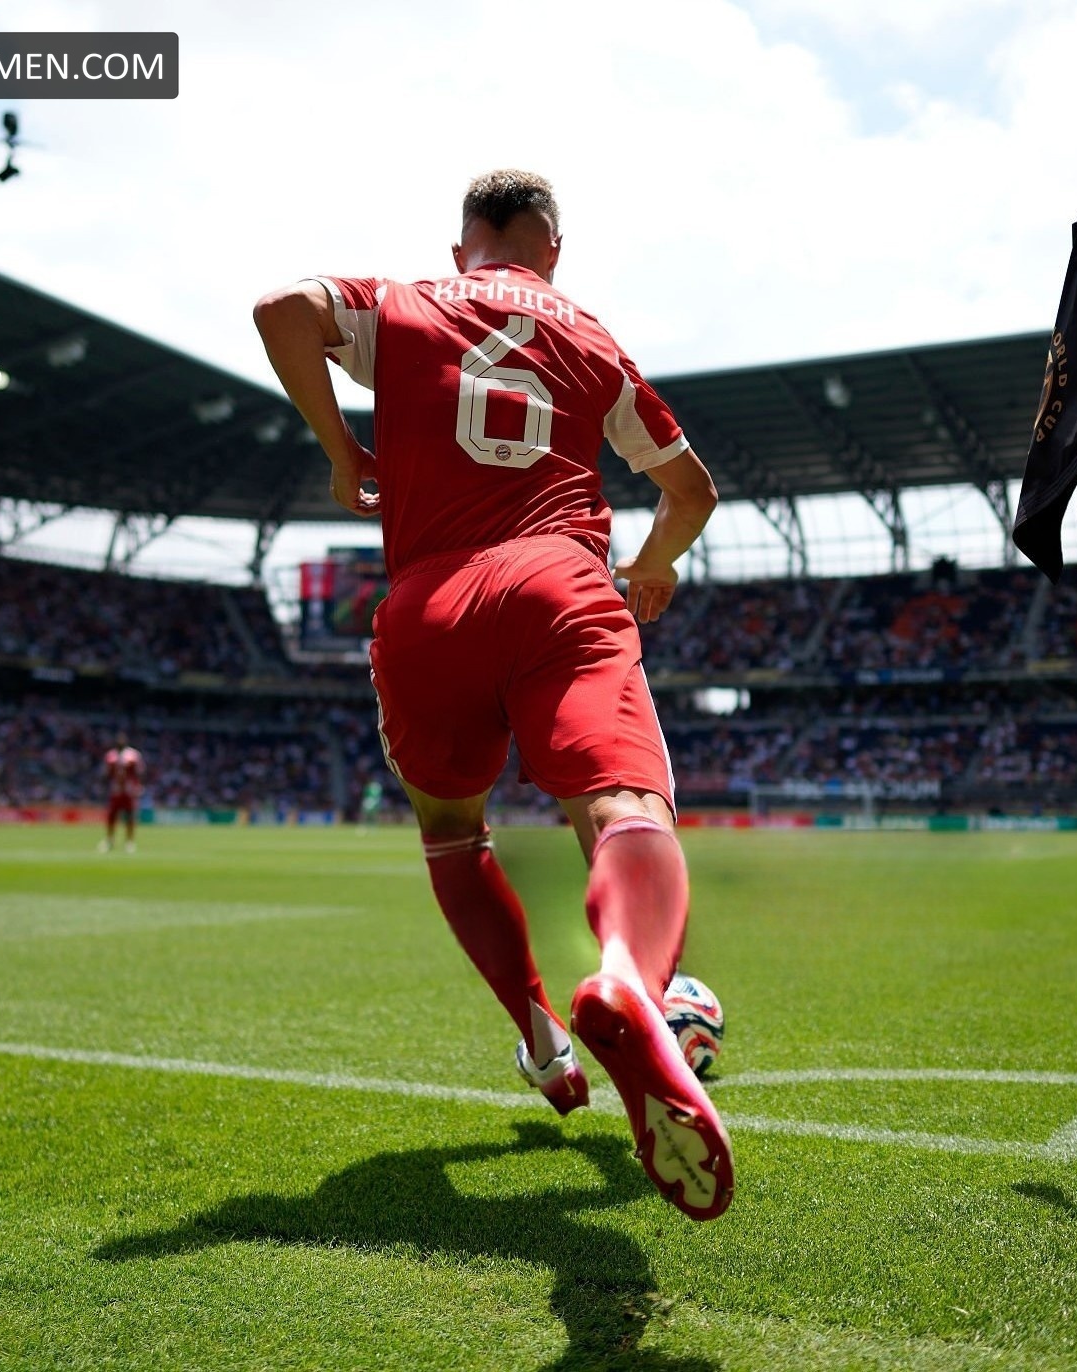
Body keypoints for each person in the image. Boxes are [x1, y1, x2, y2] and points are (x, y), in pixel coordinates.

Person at [253, 170, 731, 1220]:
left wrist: (343, 450)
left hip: (425, 606)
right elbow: (692, 491)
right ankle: (628, 976)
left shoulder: (403, 301)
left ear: (463, 242)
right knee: (623, 807)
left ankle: (542, 1041)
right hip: (557, 582)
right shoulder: (592, 339)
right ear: (552, 247)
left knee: (452, 831)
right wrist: (652, 566)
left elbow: (279, 310)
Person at [100, 732, 144, 853]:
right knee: (112, 816)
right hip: (116, 790)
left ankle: (129, 842)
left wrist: (138, 786)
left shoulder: (133, 755)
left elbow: (139, 772)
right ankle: (110, 840)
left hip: (129, 790)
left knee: (130, 815)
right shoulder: (111, 755)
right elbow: (107, 774)